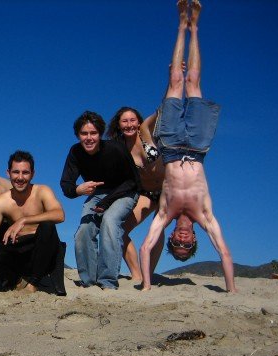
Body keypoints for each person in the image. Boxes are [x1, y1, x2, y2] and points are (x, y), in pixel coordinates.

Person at [139, 0, 236, 292]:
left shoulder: (164, 215)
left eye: (177, 245)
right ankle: (195, 27)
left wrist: (146, 286)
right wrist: (231, 289)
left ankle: (181, 25)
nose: (182, 240)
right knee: (193, 82)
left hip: (169, 146)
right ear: (193, 239)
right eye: (187, 245)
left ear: (172, 238)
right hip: (197, 146)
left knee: (174, 79)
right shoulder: (205, 217)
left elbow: (145, 248)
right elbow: (225, 252)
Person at [60, 111, 139, 290]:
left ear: (100, 134)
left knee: (110, 223)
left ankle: (108, 281)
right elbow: (66, 184)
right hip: (98, 194)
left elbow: (133, 181)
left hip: (125, 192)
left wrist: (106, 202)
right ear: (78, 135)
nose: (89, 138)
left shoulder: (116, 149)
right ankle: (88, 281)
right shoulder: (75, 152)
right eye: (84, 134)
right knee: (84, 231)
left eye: (93, 133)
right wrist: (77, 190)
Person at [0, 151, 65, 295]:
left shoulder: (42, 191)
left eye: (25, 173)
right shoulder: (2, 201)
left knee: (47, 225)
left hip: (43, 250)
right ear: (8, 173)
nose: (20, 177)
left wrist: (24, 220)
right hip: (19, 251)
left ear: (32, 174)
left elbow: (59, 215)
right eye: (16, 172)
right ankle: (17, 279)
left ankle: (33, 283)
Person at [107, 107, 165, 282]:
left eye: (133, 120)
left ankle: (148, 275)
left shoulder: (145, 133)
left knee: (157, 230)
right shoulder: (119, 148)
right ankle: (137, 274)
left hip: (167, 190)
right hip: (146, 193)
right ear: (118, 125)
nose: (129, 124)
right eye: (124, 121)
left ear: (138, 122)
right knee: (121, 230)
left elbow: (161, 112)